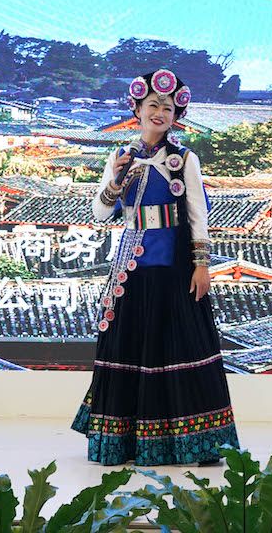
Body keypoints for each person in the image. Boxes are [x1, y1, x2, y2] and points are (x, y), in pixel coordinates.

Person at [72, 69, 239, 466]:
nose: (159, 112)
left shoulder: (185, 159)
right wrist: (115, 181)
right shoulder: (121, 156)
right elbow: (100, 213)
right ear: (137, 110)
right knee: (130, 347)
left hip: (173, 267)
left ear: (175, 115)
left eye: (167, 107)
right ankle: (127, 442)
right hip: (131, 268)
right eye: (152, 105)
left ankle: (198, 442)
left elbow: (197, 215)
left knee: (181, 346)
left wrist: (202, 265)